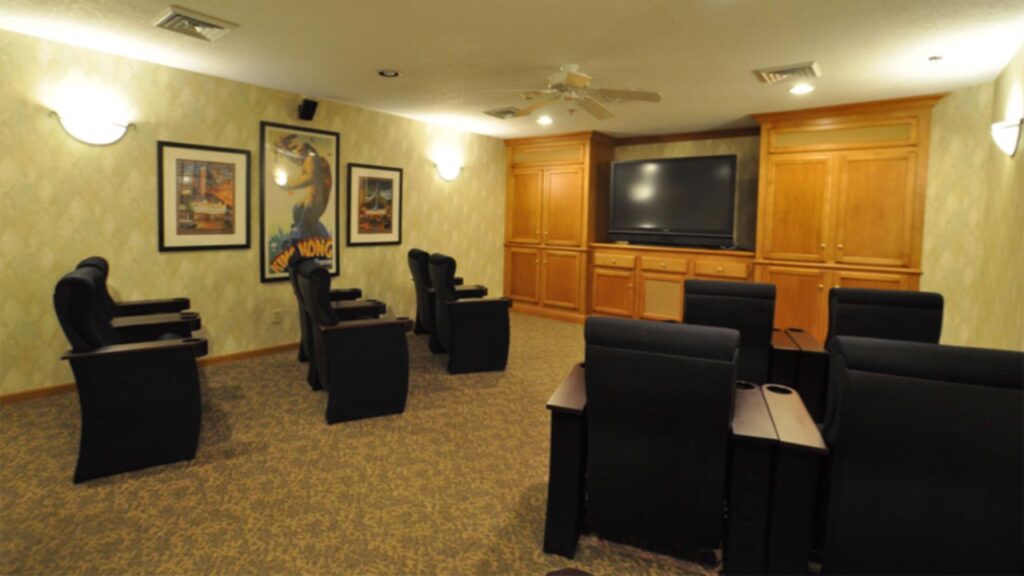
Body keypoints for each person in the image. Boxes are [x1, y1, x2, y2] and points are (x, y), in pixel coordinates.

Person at [276, 134, 331, 240]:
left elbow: (309, 178)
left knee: (307, 222)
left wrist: (290, 185)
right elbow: (296, 159)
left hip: (315, 201)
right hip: (311, 199)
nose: (297, 152)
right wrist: (284, 151)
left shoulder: (312, 159)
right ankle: (304, 237)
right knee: (297, 210)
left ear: (306, 150)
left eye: (300, 150)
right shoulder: (308, 159)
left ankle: (319, 239)